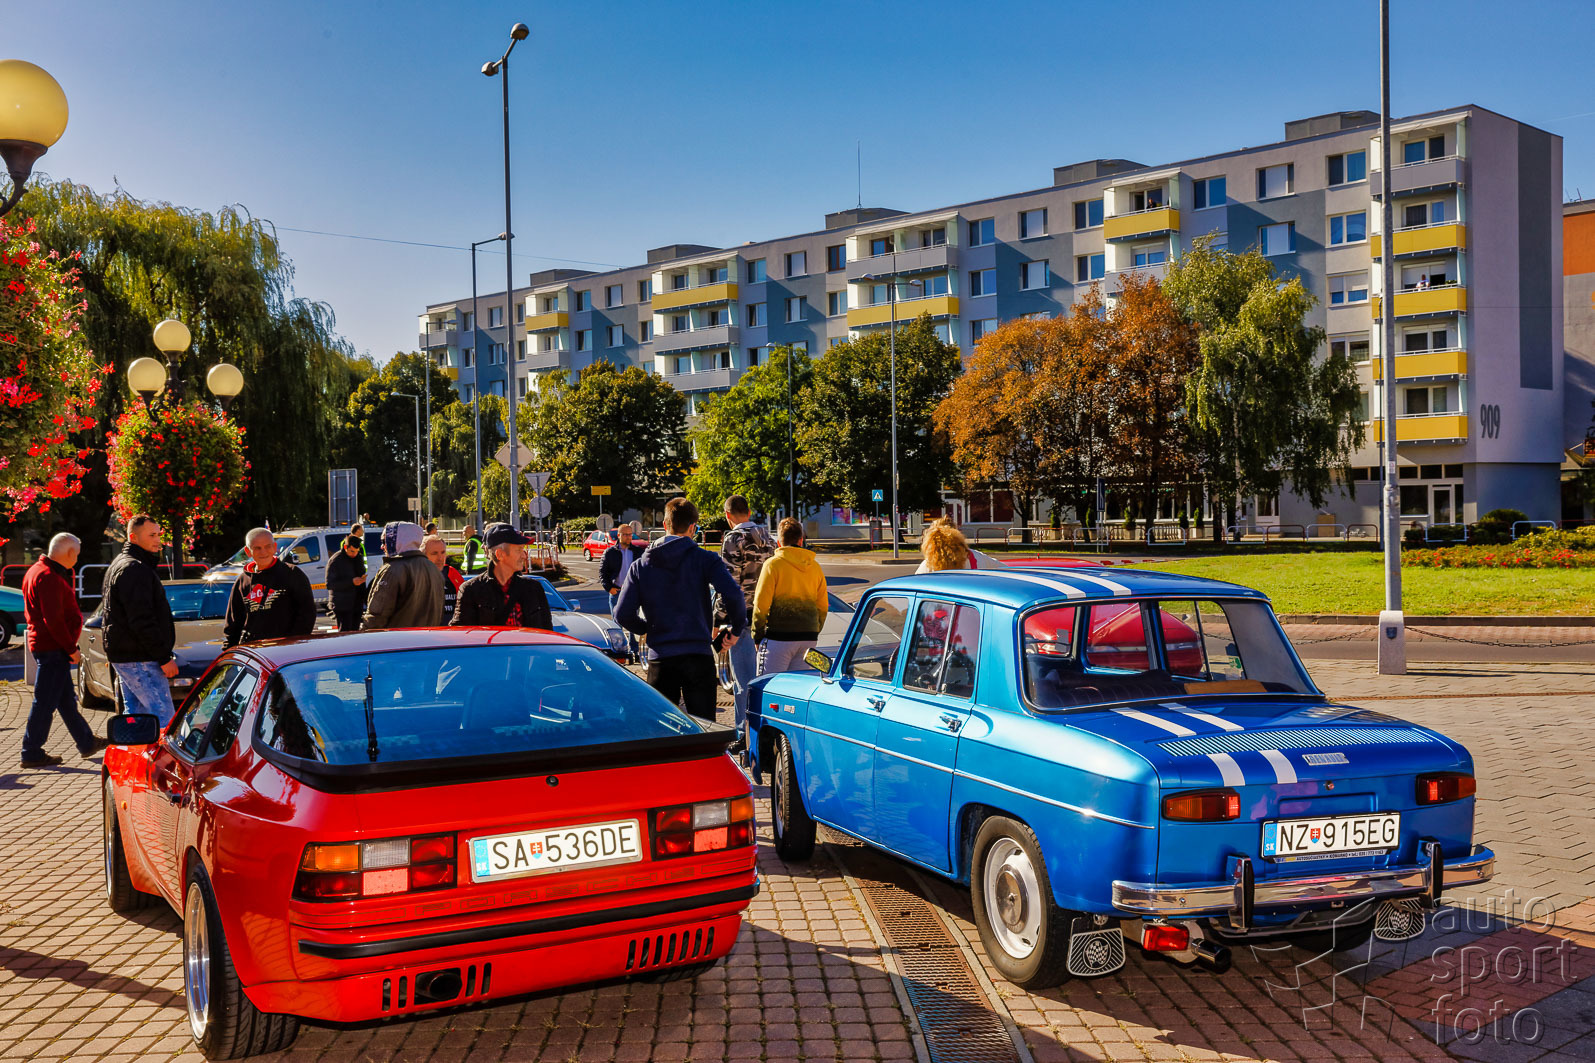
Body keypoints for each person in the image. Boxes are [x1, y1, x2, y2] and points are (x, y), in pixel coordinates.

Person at [614, 497, 745, 722]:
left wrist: (647, 629)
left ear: (665, 525)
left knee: (664, 731)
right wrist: (736, 629)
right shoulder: (705, 559)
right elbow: (733, 594)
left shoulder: (641, 565)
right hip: (698, 656)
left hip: (661, 659)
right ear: (693, 528)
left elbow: (622, 613)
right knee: (704, 729)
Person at [19, 534, 106, 768]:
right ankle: (31, 751)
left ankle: (86, 742)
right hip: (53, 648)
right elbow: (54, 620)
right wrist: (71, 649)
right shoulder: (48, 576)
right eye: (76, 555)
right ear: (69, 553)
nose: (76, 560)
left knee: (65, 699)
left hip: (49, 646)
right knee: (44, 702)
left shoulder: (37, 571)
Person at [100, 515, 180, 727]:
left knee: (137, 718)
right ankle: (162, 751)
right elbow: (141, 619)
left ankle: (134, 748)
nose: (158, 540)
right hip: (139, 657)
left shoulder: (124, 564)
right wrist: (164, 658)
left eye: (158, 534)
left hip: (129, 654)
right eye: (152, 535)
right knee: (163, 718)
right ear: (133, 537)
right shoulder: (134, 568)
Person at [717, 496, 775, 732]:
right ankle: (764, 729)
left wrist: (718, 618)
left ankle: (744, 734)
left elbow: (728, 584)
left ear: (728, 515)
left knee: (743, 681)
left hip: (741, 616)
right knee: (764, 679)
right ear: (749, 512)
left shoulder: (733, 539)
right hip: (767, 616)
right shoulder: (768, 538)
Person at [752, 518, 828, 675]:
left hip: (778, 637)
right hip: (808, 639)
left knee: (768, 685)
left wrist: (757, 635)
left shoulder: (772, 565)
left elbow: (761, 604)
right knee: (798, 687)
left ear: (779, 543)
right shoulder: (815, 567)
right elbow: (822, 606)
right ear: (801, 540)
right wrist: (813, 630)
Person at [223, 527, 317, 647]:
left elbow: (307, 614)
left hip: (286, 648)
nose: (263, 552)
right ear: (248, 551)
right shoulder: (242, 581)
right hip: (254, 650)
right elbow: (233, 622)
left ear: (275, 547)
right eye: (257, 548)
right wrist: (229, 650)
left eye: (268, 546)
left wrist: (293, 643)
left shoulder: (292, 574)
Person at [451, 523, 553, 628]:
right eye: (519, 550)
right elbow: (460, 633)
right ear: (500, 554)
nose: (524, 555)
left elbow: (548, 633)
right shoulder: (471, 590)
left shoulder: (534, 589)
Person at [363, 522, 445, 629]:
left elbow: (377, 615)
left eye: (384, 541)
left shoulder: (392, 569)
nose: (382, 546)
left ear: (395, 540)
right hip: (428, 637)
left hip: (398, 637)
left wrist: (363, 633)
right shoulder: (433, 569)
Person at [600, 521, 647, 658]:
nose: (628, 537)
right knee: (617, 623)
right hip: (617, 592)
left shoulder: (638, 552)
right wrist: (609, 588)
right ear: (619, 535)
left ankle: (634, 650)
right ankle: (619, 649)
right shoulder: (610, 552)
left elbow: (645, 570)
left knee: (634, 621)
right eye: (625, 534)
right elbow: (603, 573)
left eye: (630, 534)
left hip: (633, 592)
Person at [325, 534, 369, 632]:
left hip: (357, 604)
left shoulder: (358, 557)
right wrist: (351, 582)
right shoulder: (336, 560)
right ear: (345, 547)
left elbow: (361, 575)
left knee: (355, 633)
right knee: (345, 633)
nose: (354, 554)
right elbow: (330, 584)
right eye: (352, 551)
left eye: (357, 551)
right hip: (342, 605)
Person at [424, 533, 465, 624]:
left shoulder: (453, 573)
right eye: (434, 553)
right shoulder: (418, 576)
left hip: (452, 628)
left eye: (443, 552)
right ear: (423, 556)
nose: (440, 558)